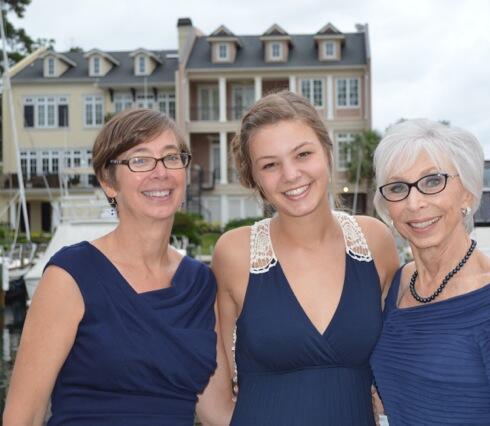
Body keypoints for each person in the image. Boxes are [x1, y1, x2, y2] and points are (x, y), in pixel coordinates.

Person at [3, 109, 233, 425]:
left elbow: (217, 411)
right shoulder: (71, 276)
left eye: (171, 157)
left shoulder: (200, 284)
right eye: (139, 160)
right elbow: (23, 416)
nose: (160, 172)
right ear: (109, 182)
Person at [212, 91, 399, 425]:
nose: (291, 174)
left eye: (302, 154)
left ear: (327, 152)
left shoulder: (375, 242)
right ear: (254, 178)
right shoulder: (234, 253)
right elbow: (214, 388)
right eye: (270, 165)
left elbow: (400, 359)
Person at [370, 119, 490, 425]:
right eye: (398, 188)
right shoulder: (396, 287)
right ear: (388, 207)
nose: (415, 203)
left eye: (432, 182)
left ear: (467, 193)